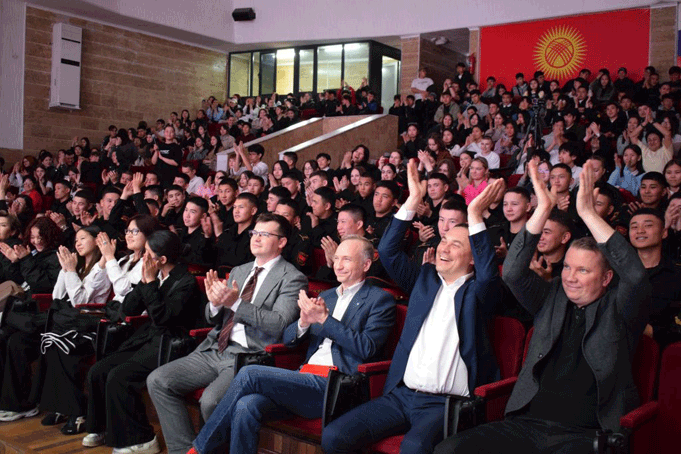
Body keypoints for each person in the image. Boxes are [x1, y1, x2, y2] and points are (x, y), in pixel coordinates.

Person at [435, 161, 651, 454]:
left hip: (585, 434)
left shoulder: (621, 308)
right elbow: (512, 273)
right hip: (526, 423)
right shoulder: (552, 296)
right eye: (568, 267)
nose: (570, 277)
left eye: (583, 271)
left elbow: (636, 276)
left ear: (606, 278)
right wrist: (542, 209)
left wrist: (587, 213)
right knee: (449, 449)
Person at [321, 161, 504, 454]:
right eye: (444, 240)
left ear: (472, 258)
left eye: (456, 245)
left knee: (414, 448)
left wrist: (474, 214)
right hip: (401, 395)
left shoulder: (479, 293)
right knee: (334, 436)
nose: (444, 247)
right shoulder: (424, 280)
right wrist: (413, 199)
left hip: (445, 403)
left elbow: (488, 274)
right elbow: (388, 250)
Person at [186, 235, 395, 454]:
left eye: (347, 259)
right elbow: (288, 339)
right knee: (246, 405)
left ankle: (199, 449)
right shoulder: (327, 296)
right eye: (336, 258)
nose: (339, 265)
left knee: (249, 373)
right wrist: (303, 323)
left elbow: (367, 348)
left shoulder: (380, 300)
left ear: (366, 265)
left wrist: (325, 319)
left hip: (335, 385)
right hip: (304, 378)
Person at [147, 214, 307, 454]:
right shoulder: (239, 271)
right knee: (158, 380)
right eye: (254, 233)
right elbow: (212, 318)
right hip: (215, 348)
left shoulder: (292, 278)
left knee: (211, 401)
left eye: (264, 234)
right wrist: (214, 304)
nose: (256, 238)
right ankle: (183, 450)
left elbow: (279, 324)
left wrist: (236, 304)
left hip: (248, 357)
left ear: (282, 242)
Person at [82, 230, 203, 452]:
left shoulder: (185, 281)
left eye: (147, 253)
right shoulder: (153, 274)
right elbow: (128, 309)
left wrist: (150, 283)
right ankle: (101, 427)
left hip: (171, 344)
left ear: (162, 259)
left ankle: (142, 439)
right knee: (99, 370)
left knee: (119, 377)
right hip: (149, 338)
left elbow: (164, 318)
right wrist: (145, 282)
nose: (143, 257)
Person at [36, 226, 113, 434]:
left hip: (92, 327)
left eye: (83, 239)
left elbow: (80, 302)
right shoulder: (75, 266)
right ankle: (63, 406)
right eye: (76, 240)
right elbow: (57, 296)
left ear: (96, 241)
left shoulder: (101, 267)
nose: (77, 243)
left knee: (64, 350)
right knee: (52, 346)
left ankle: (78, 412)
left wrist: (70, 271)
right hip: (72, 326)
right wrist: (66, 269)